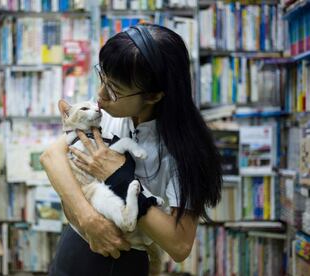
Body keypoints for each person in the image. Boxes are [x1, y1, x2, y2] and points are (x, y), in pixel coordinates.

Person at [40, 23, 222, 276]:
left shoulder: (187, 152)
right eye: (102, 77)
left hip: (121, 259)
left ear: (153, 96)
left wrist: (121, 180)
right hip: (74, 244)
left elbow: (179, 245)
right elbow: (51, 157)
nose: (100, 95)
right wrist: (86, 218)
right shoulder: (103, 112)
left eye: (114, 90)